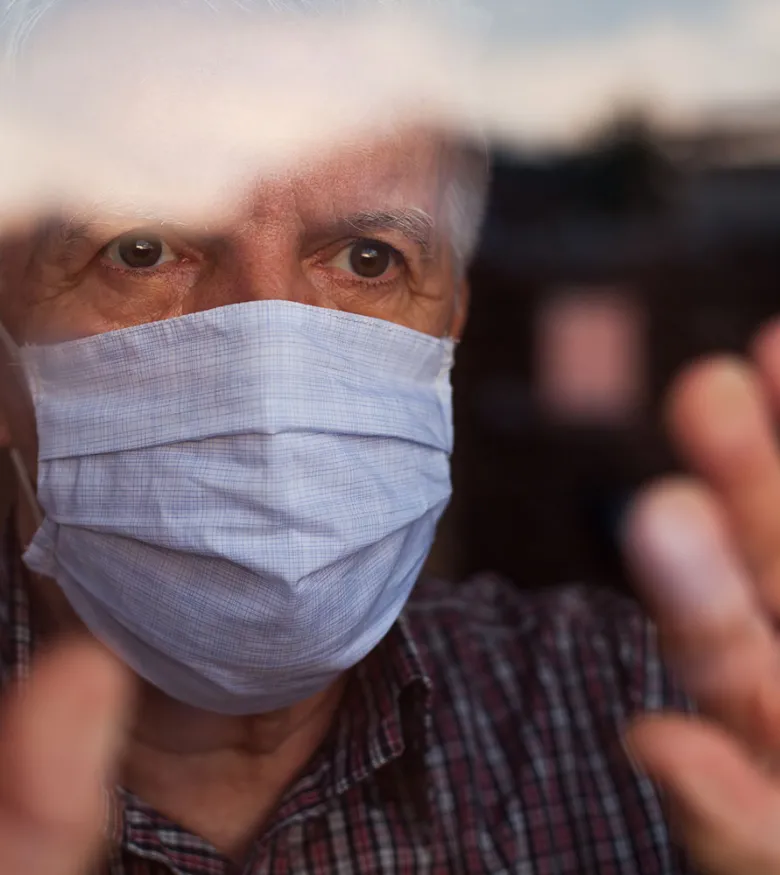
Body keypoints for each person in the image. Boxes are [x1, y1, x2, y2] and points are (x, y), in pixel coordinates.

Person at [1, 7, 780, 875]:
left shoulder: (657, 712)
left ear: (447, 332)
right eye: (140, 250)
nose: (271, 370)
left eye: (370, 260)